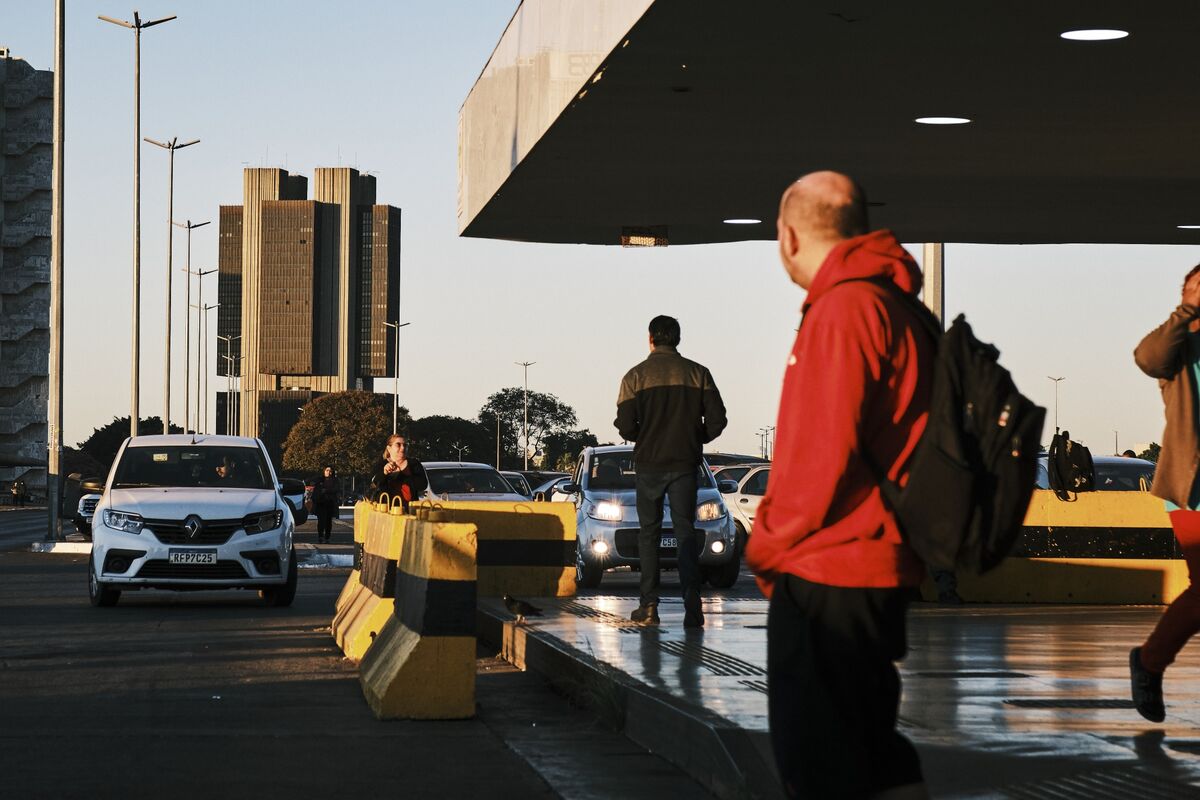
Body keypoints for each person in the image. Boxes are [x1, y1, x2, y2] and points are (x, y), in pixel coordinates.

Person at [745, 171, 933, 799]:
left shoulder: (844, 310)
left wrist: (767, 550)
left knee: (819, 765)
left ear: (789, 235)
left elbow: (817, 460)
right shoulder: (894, 304)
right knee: (874, 755)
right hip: (877, 567)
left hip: (828, 570)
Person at [615, 314, 727, 628]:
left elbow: (624, 425)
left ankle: (649, 606)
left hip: (650, 465)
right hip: (685, 465)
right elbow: (717, 422)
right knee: (685, 532)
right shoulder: (698, 374)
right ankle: (694, 608)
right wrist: (694, 438)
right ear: (677, 339)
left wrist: (646, 436)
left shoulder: (635, 376)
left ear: (650, 339)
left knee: (648, 535)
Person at [1129, 263, 1200, 723]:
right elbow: (1147, 358)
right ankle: (1150, 662)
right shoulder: (1179, 342)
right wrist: (1188, 309)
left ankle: (1150, 662)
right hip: (1194, 487)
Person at [369, 434, 428, 513]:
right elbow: (374, 483)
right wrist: (384, 473)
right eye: (398, 445)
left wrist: (407, 474)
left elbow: (422, 485)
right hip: (386, 512)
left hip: (410, 510)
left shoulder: (414, 464)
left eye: (405, 445)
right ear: (389, 448)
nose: (403, 448)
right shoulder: (381, 464)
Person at [312, 466, 341, 544]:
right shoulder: (319, 480)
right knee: (321, 521)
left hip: (330, 503)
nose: (329, 472)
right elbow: (316, 491)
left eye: (330, 471)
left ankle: (327, 537)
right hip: (321, 503)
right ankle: (320, 536)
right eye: (327, 470)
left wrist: (327, 490)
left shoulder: (335, 480)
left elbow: (337, 489)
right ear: (324, 471)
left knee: (328, 521)